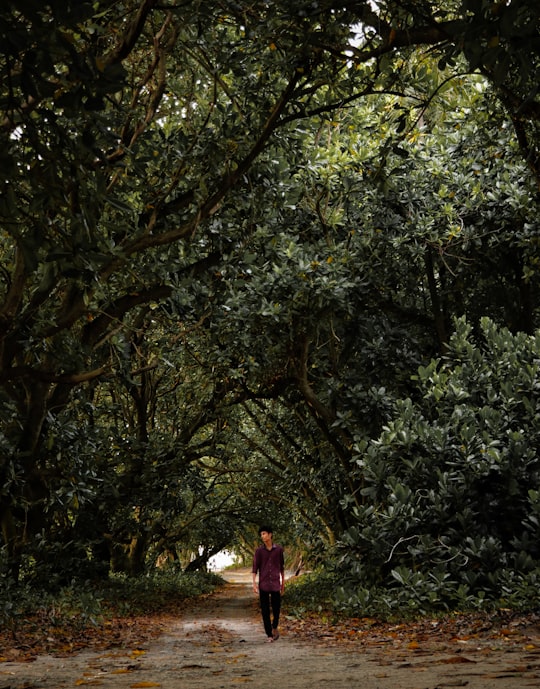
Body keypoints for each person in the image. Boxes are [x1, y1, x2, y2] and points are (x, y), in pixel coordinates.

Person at [252, 524, 285, 642]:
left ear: (270, 535)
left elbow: (281, 567)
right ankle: (269, 635)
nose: (262, 536)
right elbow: (255, 568)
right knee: (265, 610)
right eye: (261, 534)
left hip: (275, 583)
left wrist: (283, 584)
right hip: (264, 584)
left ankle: (275, 626)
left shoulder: (279, 550)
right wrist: (254, 584)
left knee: (276, 609)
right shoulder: (259, 551)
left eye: (264, 533)